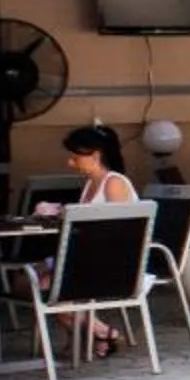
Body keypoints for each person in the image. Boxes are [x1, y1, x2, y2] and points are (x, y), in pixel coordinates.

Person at [37, 125, 139, 356]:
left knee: (43, 286)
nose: (70, 163)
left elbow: (122, 232)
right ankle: (99, 333)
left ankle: (96, 334)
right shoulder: (91, 185)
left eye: (75, 157)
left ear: (95, 155)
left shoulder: (114, 183)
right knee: (30, 279)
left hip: (111, 264)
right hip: (88, 259)